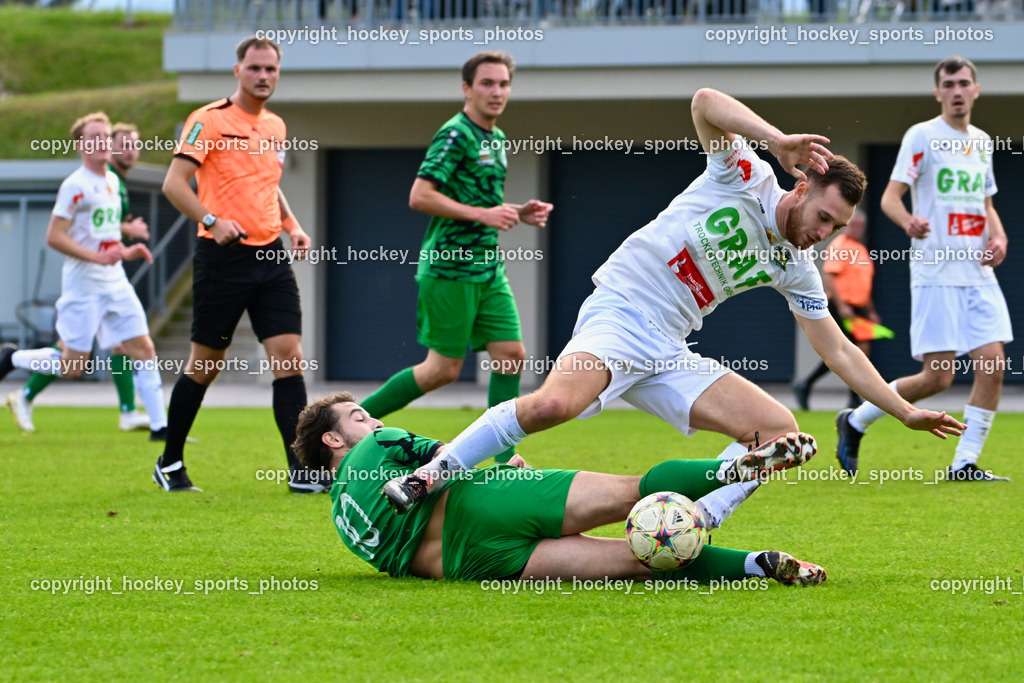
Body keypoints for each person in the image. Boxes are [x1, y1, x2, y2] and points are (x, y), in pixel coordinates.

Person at [382, 87, 965, 513]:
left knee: (779, 436)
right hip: (620, 314)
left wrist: (902, 409)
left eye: (835, 229)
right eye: (822, 217)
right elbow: (705, 101)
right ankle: (432, 475)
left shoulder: (797, 266)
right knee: (549, 408)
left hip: (669, 348)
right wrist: (776, 138)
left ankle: (693, 523)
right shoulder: (743, 174)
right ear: (801, 184)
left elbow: (837, 349)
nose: (823, 233)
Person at [293, 391, 827, 586]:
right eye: (358, 416)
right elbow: (443, 460)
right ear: (334, 438)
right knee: (632, 492)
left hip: (469, 566)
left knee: (643, 557)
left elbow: (402, 541)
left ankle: (756, 564)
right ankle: (733, 470)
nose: (371, 420)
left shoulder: (342, 523)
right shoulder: (376, 445)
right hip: (483, 502)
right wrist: (493, 473)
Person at [359, 51, 553, 463]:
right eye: (487, 83)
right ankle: (353, 424)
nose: (497, 91)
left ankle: (504, 456)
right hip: (449, 268)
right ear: (467, 88)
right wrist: (484, 214)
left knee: (511, 355)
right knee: (442, 370)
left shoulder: (496, 139)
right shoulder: (455, 134)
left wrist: (516, 211)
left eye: (503, 84)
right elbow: (420, 195)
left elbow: (477, 199)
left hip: (487, 268)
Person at [836, 56, 1011, 482]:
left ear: (975, 90)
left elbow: (986, 205)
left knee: (993, 364)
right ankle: (855, 421)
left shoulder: (982, 142)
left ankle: (964, 464)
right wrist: (908, 221)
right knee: (937, 378)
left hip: (978, 272)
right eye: (948, 84)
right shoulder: (923, 136)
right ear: (938, 93)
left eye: (964, 83)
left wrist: (1000, 237)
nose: (956, 90)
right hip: (936, 271)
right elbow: (890, 198)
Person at [159, 36, 318, 493]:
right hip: (222, 259)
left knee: (289, 358)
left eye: (271, 69)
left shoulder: (276, 126)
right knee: (205, 364)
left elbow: (268, 186)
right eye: (255, 68)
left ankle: (303, 471)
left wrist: (293, 226)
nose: (263, 76)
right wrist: (211, 218)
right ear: (237, 71)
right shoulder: (208, 120)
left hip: (271, 257)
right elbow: (175, 184)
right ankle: (170, 462)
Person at [0, 113, 168, 439]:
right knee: (73, 365)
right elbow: (54, 237)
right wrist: (96, 257)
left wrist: (126, 250)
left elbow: (105, 235)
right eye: (94, 136)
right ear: (81, 144)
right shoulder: (74, 185)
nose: (103, 141)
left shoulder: (113, 182)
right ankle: (12, 357)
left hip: (115, 281)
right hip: (84, 286)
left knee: (144, 348)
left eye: (106, 135)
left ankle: (161, 427)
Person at [792, 209, 883, 410]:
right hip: (843, 306)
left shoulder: (860, 248)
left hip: (859, 308)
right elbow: (830, 278)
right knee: (856, 350)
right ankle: (854, 396)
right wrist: (842, 306)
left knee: (845, 352)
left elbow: (863, 283)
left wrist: (871, 311)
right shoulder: (839, 246)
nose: (858, 229)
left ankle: (806, 384)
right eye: (854, 225)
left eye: (861, 226)